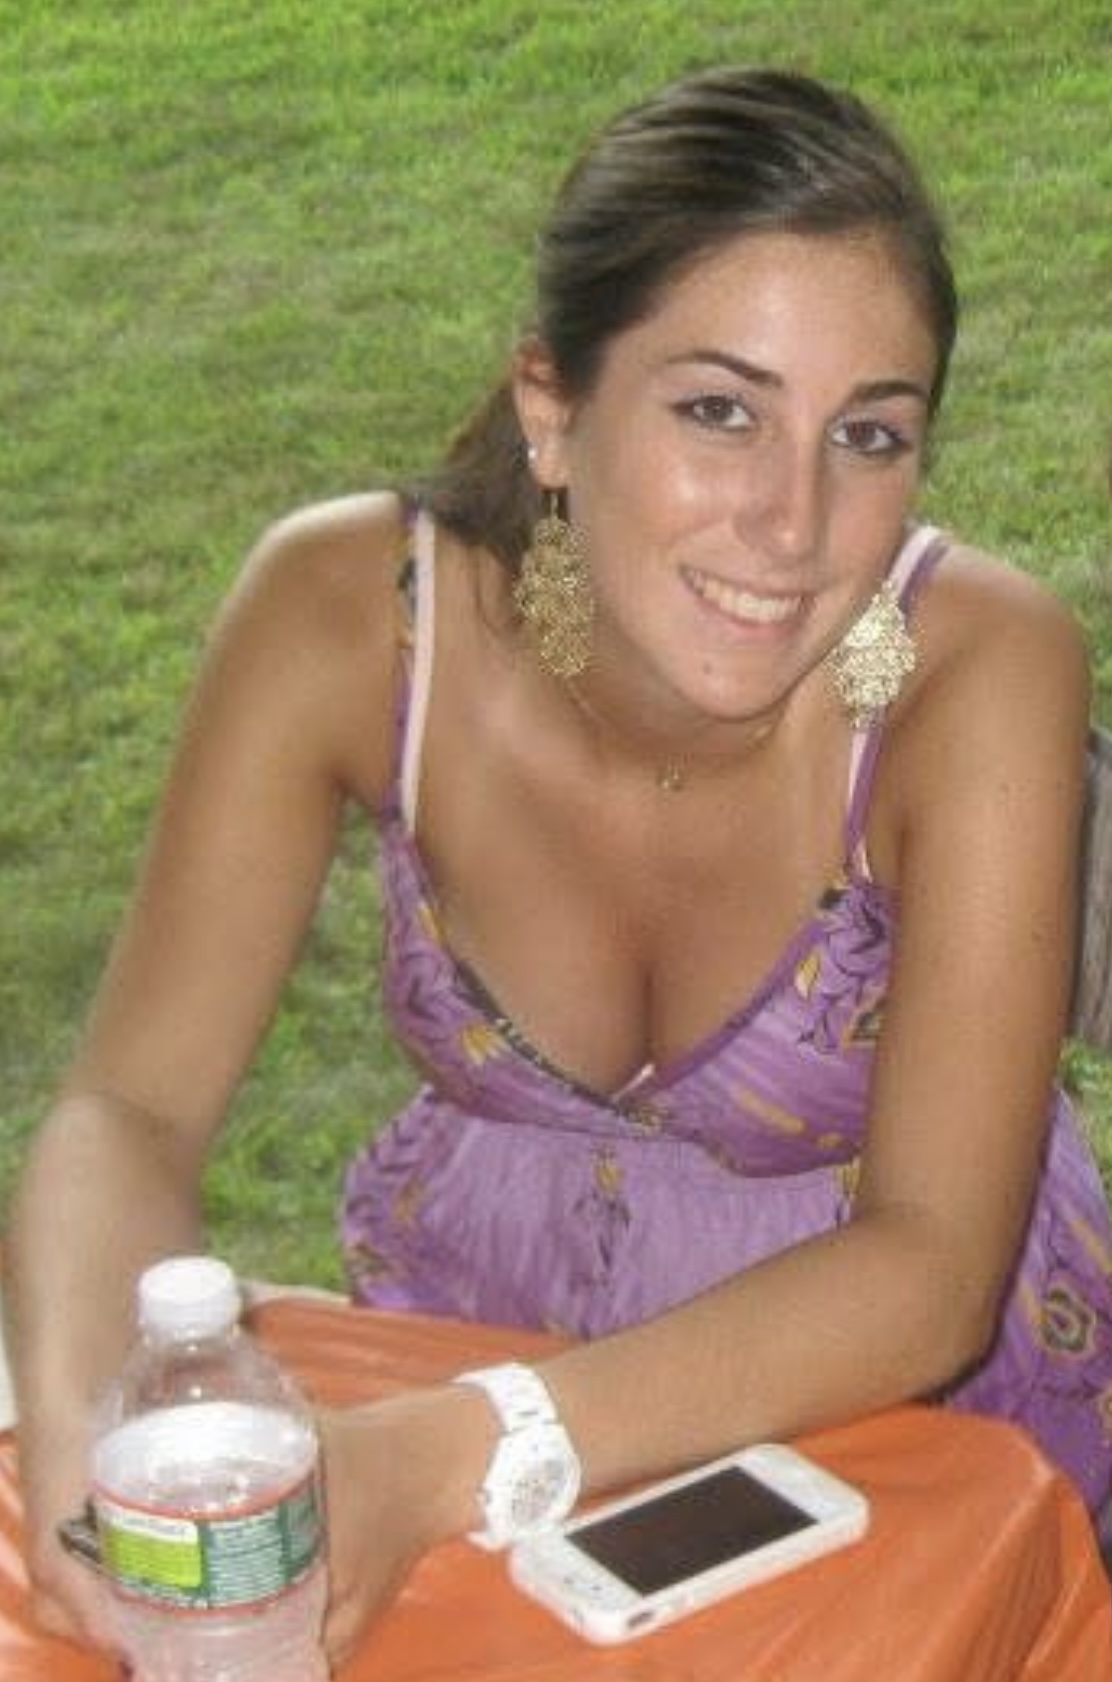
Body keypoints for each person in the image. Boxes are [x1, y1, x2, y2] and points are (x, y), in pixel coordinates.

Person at [7, 65, 1112, 1669]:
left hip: (898, 1437)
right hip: (475, 1368)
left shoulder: (971, 671)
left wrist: (451, 1451)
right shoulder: (356, 620)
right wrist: (83, 1448)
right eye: (720, 410)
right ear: (551, 404)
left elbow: (934, 1262)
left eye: (869, 435)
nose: (794, 523)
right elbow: (130, 1107)